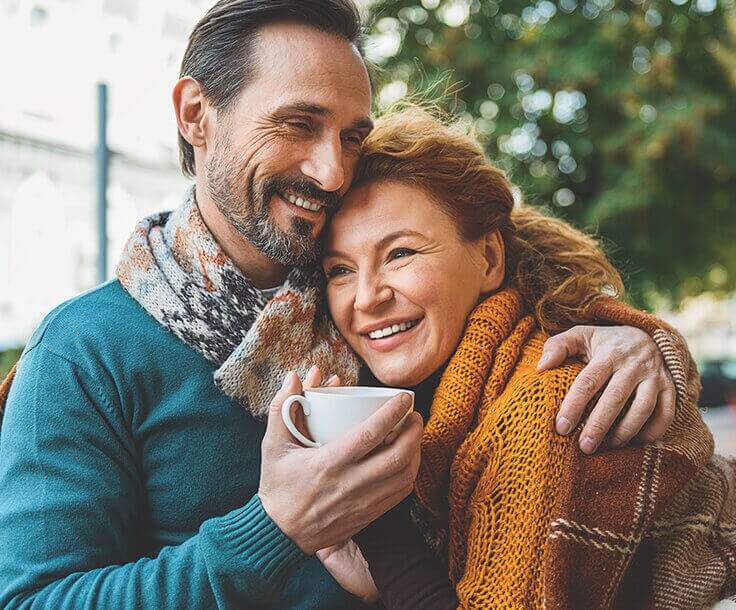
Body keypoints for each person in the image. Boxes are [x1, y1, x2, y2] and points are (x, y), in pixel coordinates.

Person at [0, 1, 689, 608]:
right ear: (195, 116)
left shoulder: (373, 323)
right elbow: (35, 598)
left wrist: (627, 335)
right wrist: (275, 528)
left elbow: (509, 267)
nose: (331, 170)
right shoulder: (85, 349)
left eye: (352, 136)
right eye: (297, 124)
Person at [313, 107, 736, 608]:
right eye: (340, 270)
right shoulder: (438, 394)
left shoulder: (545, 405)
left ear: (490, 258)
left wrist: (379, 533)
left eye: (400, 253)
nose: (365, 298)